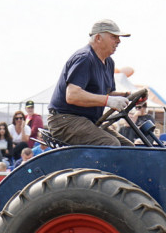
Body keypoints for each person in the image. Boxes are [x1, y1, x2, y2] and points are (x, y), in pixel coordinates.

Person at [47, 19, 135, 147]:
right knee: (111, 145)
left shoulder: (109, 62)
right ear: (98, 38)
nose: (118, 41)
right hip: (64, 121)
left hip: (87, 121)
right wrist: (108, 101)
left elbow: (107, 93)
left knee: (129, 148)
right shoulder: (85, 58)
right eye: (114, 37)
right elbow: (72, 95)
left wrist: (128, 96)